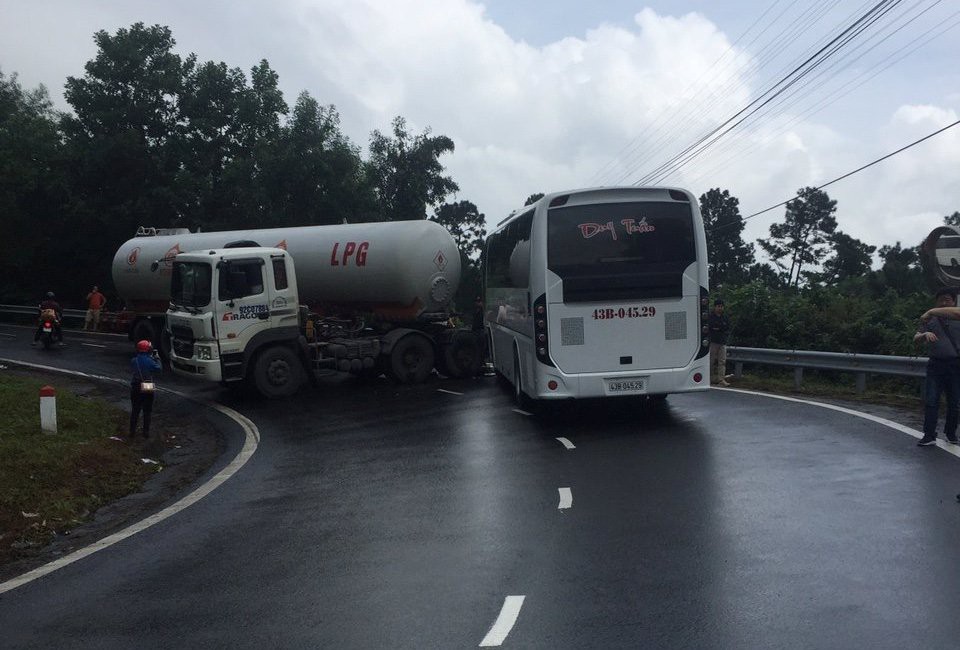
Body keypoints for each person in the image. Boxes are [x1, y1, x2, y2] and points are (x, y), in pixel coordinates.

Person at [915, 287, 960, 446]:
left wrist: (931, 311)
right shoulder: (930, 319)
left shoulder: (956, 316)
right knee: (932, 400)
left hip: (955, 364)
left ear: (954, 301)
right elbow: (916, 338)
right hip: (936, 364)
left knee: (954, 402)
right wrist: (924, 334)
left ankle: (951, 433)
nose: (944, 302)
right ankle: (929, 435)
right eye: (941, 299)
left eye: (947, 299)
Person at [129, 339, 162, 439]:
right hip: (147, 384)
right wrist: (157, 358)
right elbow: (159, 369)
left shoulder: (134, 360)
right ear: (148, 350)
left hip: (136, 385)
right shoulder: (150, 361)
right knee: (147, 410)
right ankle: (146, 432)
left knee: (135, 410)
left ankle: (132, 432)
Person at [708, 298, 730, 387]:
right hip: (713, 342)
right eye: (718, 306)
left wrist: (719, 328)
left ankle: (721, 379)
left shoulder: (725, 317)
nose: (720, 308)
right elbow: (712, 326)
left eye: (721, 306)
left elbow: (727, 327)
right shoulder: (710, 317)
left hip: (722, 342)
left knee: (722, 361)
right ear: (715, 307)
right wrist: (719, 327)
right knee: (711, 361)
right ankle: (710, 378)